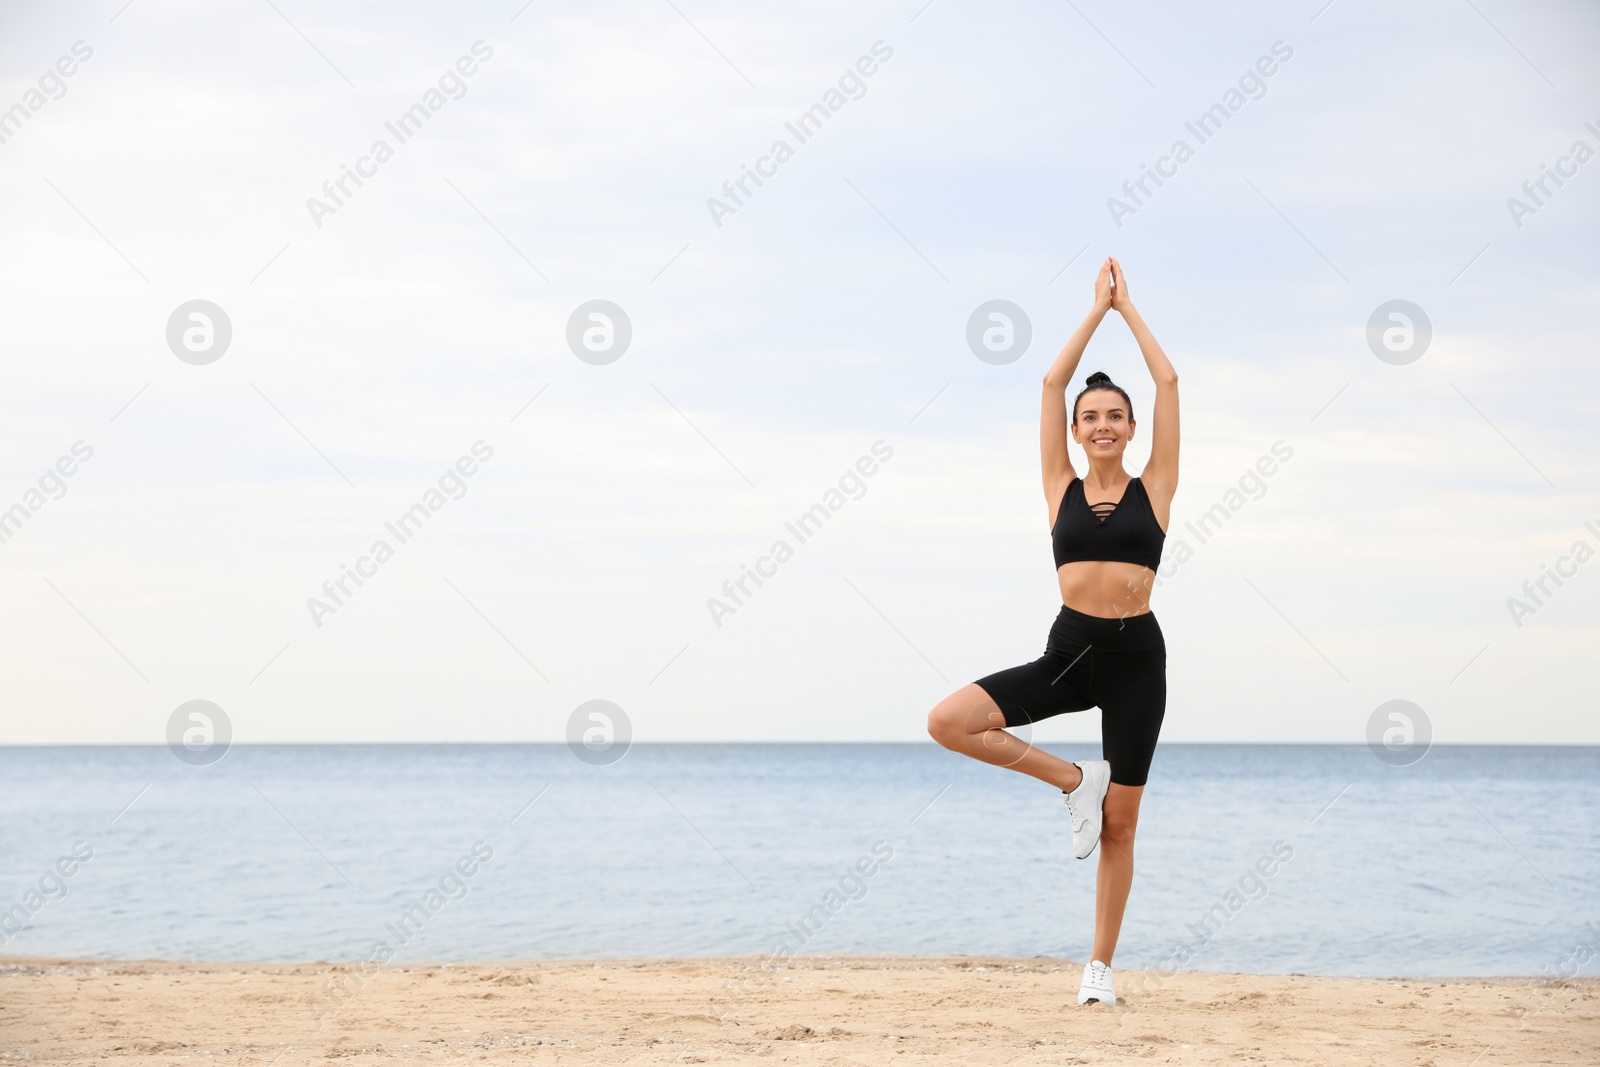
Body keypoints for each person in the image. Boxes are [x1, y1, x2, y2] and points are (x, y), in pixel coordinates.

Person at [927, 257, 1179, 1007]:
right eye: (1090, 416)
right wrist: (1092, 313)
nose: (1102, 424)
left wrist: (1128, 311)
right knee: (949, 721)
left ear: (1130, 429)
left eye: (1114, 415)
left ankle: (1098, 969)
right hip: (1069, 654)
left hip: (1138, 660)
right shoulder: (1058, 484)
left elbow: (1168, 384)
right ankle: (1074, 780)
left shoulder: (1155, 486)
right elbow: (1047, 384)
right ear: (1076, 430)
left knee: (1122, 827)